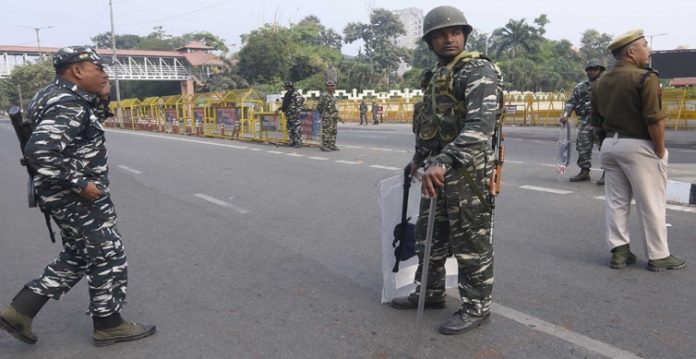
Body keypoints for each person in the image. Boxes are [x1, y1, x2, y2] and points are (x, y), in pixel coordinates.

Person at [0, 46, 156, 346]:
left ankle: (20, 311)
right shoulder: (67, 103)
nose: (104, 73)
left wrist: (103, 97)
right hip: (76, 196)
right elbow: (40, 151)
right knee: (108, 252)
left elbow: (80, 129)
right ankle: (109, 324)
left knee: (79, 253)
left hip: (59, 193)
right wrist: (81, 184)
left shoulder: (55, 95)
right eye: (99, 67)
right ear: (78, 69)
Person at [389, 6, 504, 335]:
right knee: (429, 239)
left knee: (471, 243)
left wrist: (442, 161)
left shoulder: (478, 70)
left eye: (455, 32)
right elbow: (430, 124)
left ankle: (477, 307)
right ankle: (430, 293)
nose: (449, 39)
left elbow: (479, 128)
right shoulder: (435, 75)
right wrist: (419, 157)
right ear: (430, 42)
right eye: (440, 34)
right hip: (435, 172)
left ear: (465, 36)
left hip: (467, 172)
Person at [591, 30, 686, 272]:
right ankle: (658, 255)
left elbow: (595, 121)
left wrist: (605, 143)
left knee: (616, 201)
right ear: (631, 52)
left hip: (610, 145)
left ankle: (619, 252)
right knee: (652, 202)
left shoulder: (601, 81)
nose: (649, 49)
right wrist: (660, 149)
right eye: (645, 45)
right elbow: (655, 119)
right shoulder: (645, 78)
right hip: (638, 145)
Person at [560, 59, 606, 183]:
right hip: (585, 121)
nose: (592, 72)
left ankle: (607, 174)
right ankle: (584, 171)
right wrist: (565, 115)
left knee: (605, 148)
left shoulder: (607, 85)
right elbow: (571, 103)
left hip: (602, 122)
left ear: (601, 70)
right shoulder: (580, 87)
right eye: (590, 69)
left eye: (595, 69)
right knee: (582, 147)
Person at [278, 81, 305, 147]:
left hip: (294, 114)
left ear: (288, 86)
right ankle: (293, 141)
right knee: (290, 129)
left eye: (285, 86)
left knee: (296, 129)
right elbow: (285, 104)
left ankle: (298, 142)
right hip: (288, 114)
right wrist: (279, 109)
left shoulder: (295, 93)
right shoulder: (287, 94)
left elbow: (299, 104)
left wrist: (297, 113)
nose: (284, 87)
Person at [317, 81, 341, 151]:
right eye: (330, 86)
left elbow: (336, 108)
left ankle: (331, 145)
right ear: (327, 87)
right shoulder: (324, 95)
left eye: (333, 86)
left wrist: (337, 115)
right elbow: (319, 106)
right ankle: (325, 146)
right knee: (326, 131)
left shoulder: (334, 97)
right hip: (327, 117)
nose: (332, 87)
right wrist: (323, 114)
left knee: (333, 131)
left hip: (334, 117)